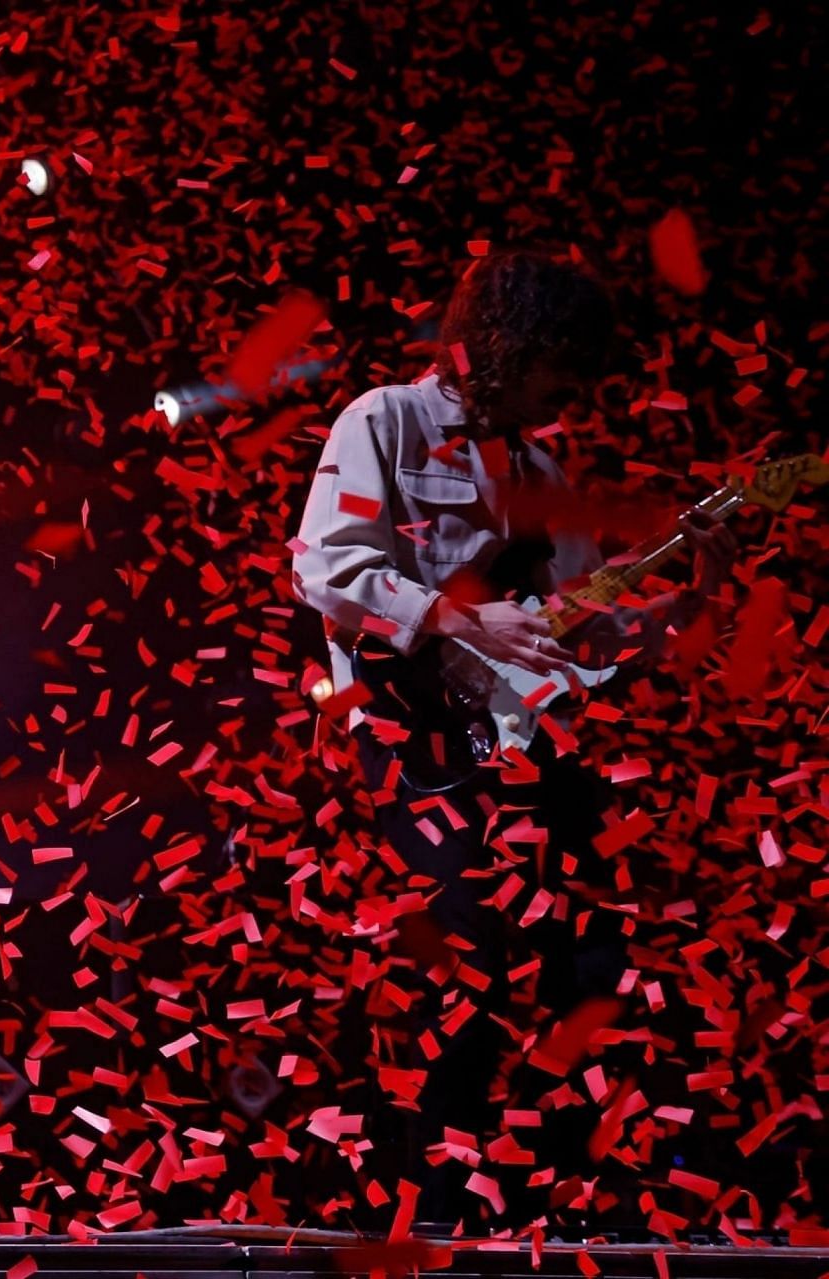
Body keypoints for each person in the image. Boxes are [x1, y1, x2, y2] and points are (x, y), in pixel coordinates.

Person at [291, 250, 735, 1225]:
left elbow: (581, 636)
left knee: (597, 955)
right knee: (466, 955)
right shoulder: (385, 420)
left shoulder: (537, 466)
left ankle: (567, 1200)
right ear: (508, 345)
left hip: (516, 746)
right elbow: (327, 569)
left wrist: (687, 595)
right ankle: (427, 1211)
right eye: (557, 364)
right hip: (405, 742)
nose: (567, 390)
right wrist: (459, 620)